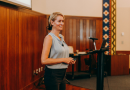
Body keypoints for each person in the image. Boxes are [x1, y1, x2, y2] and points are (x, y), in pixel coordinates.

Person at [41, 12, 76, 90]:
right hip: (52, 75)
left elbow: (60, 55)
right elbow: (44, 60)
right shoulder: (49, 38)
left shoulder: (61, 37)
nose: (62, 23)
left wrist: (69, 60)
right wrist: (64, 59)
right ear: (52, 22)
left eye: (63, 21)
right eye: (59, 21)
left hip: (63, 74)